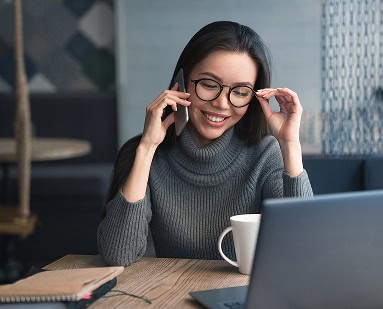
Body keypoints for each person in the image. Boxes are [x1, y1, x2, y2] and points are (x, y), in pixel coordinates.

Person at [97, 21, 314, 266]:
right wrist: (147, 148)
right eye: (209, 85)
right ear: (181, 81)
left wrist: (289, 145)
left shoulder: (265, 154)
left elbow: (303, 247)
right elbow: (119, 255)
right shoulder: (145, 154)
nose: (222, 104)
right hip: (169, 297)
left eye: (240, 92)